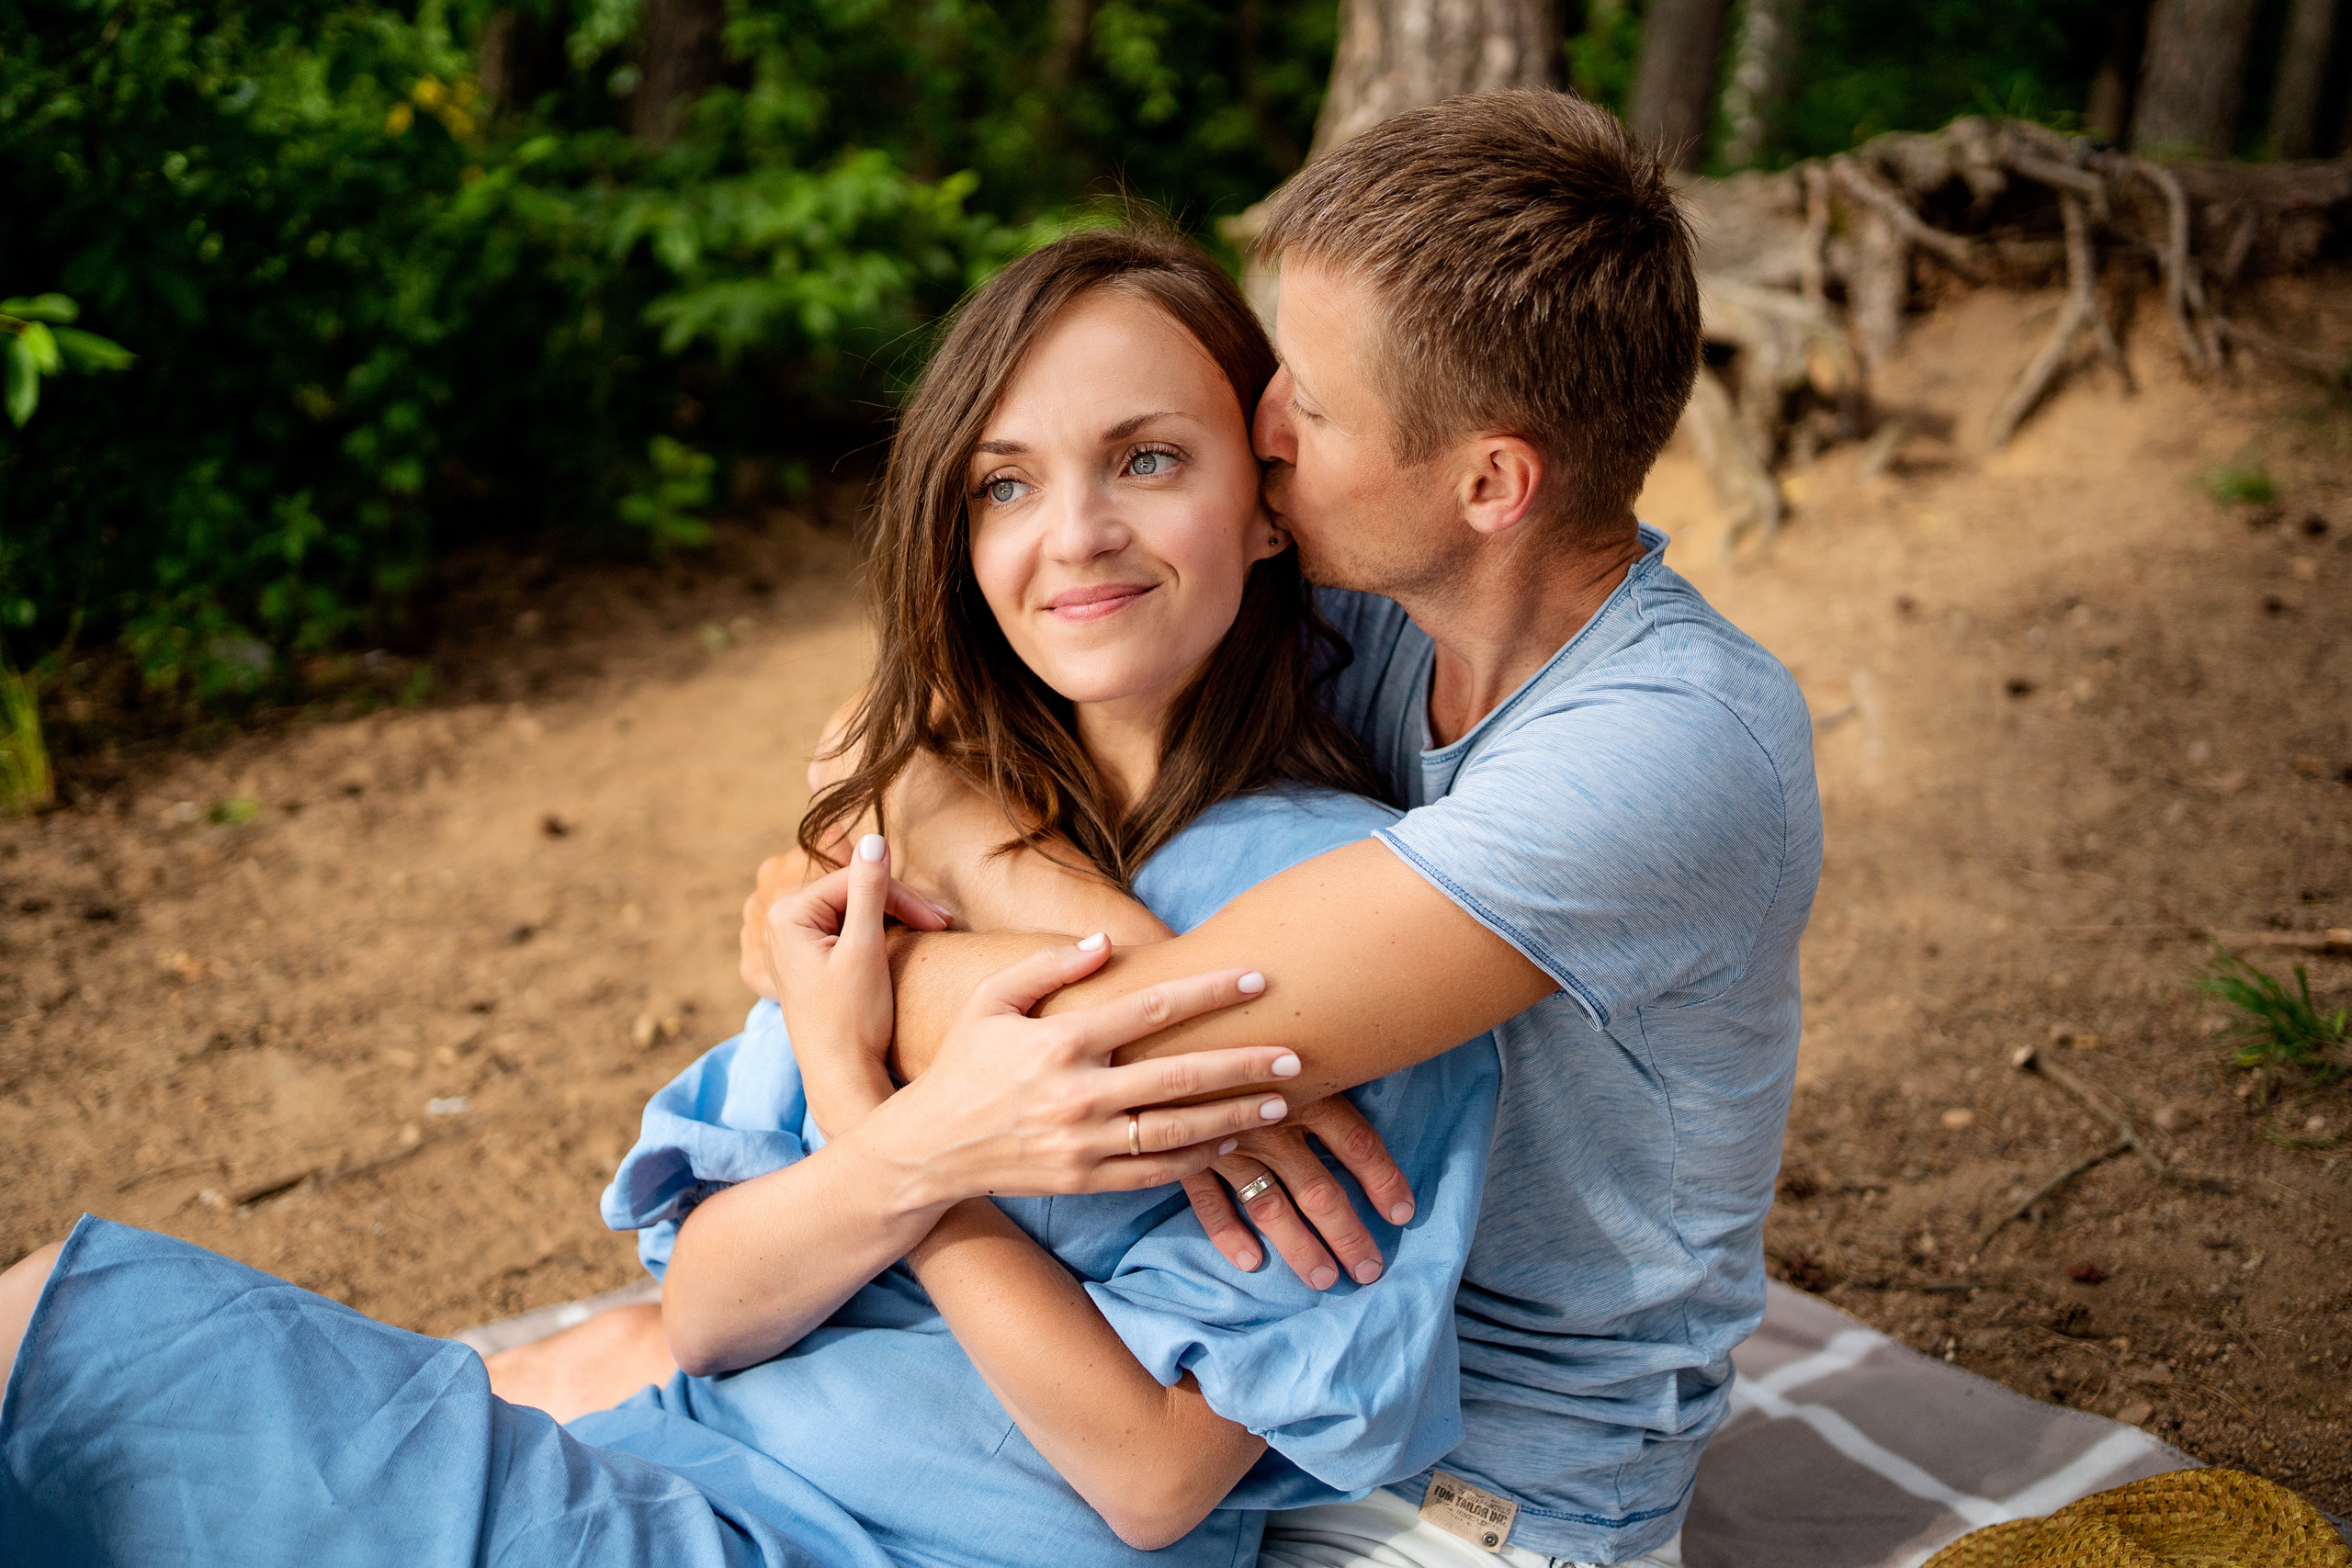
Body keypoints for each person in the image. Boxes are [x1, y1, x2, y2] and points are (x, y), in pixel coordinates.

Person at [0, 228, 1501, 1567]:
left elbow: (1155, 1478)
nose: (1076, 533)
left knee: (73, 1340)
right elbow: (711, 1311)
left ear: (1266, 503)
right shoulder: (908, 847)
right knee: (66, 1347)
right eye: (1005, 484)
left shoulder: (1343, 913)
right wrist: (900, 1132)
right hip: (676, 1467)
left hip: (881, 1544)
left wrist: (885, 1121)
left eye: (1149, 460)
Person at [731, 91, 1825, 1568]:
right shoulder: (1379, 610)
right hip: (1253, 1371)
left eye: (1307, 400)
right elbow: (883, 742)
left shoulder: (1662, 748)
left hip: (1491, 1487)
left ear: (1490, 483)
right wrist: (944, 841)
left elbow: (1130, 1055)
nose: (1260, 433)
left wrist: (842, 985)